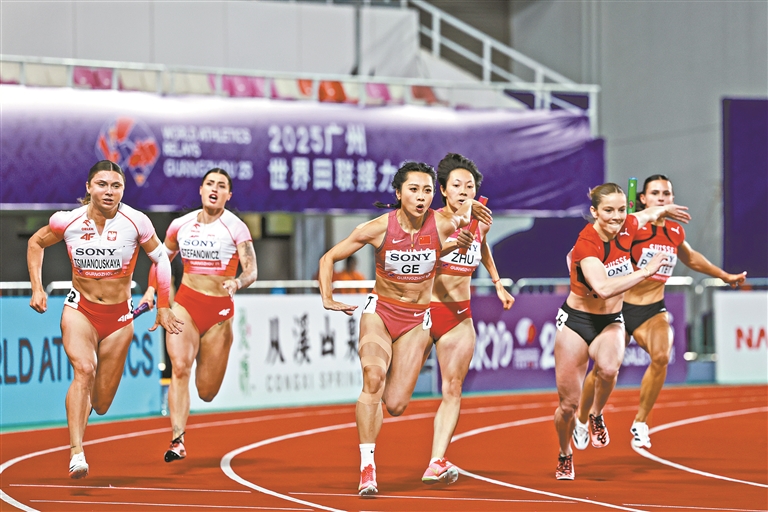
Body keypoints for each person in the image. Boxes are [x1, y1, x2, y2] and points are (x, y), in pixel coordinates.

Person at [317, 161, 492, 496]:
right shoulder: (377, 228)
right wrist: (328, 297)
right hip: (380, 312)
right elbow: (328, 259)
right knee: (373, 379)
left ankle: (380, 399)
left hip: (416, 320)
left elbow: (464, 220)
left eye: (427, 190)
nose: (421, 197)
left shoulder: (443, 224)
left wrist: (469, 226)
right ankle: (367, 467)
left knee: (396, 404)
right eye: (413, 190)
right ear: (399, 193)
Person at [27, 160, 183, 479]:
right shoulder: (67, 221)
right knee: (84, 370)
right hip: (80, 310)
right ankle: (76, 453)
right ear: (89, 187)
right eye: (102, 184)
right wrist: (37, 288)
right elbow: (36, 243)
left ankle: (82, 425)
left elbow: (162, 260)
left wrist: (164, 304)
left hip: (119, 318)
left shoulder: (136, 222)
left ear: (123, 189)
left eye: (116, 186)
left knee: (100, 403)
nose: (109, 191)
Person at [572, 175, 746, 451]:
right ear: (643, 199)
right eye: (655, 193)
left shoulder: (674, 232)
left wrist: (724, 275)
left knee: (662, 355)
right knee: (604, 370)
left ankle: (641, 422)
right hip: (619, 308)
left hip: (652, 309)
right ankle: (584, 419)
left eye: (667, 193)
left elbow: (691, 258)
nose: (662, 197)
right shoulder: (629, 227)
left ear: (673, 198)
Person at [553, 182, 690, 480]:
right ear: (594, 212)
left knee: (608, 369)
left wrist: (665, 209)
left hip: (611, 320)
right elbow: (603, 288)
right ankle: (564, 453)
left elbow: (646, 214)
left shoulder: (628, 225)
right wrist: (644, 271)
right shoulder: (586, 245)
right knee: (567, 405)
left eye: (620, 210)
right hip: (577, 321)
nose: (616, 217)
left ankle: (596, 414)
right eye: (608, 211)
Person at [140, 168, 258, 463]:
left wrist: (238, 282)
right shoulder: (180, 225)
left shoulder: (236, 228)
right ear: (201, 190)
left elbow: (251, 270)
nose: (214, 189)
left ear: (228, 195)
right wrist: (151, 291)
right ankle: (177, 439)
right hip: (186, 305)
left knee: (206, 392)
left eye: (221, 186)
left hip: (219, 314)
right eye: (210, 184)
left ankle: (188, 419)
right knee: (179, 368)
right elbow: (161, 261)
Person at [422, 153, 515, 485]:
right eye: (457, 186)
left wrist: (497, 283)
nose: (464, 191)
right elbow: (421, 257)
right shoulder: (430, 221)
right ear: (443, 190)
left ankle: (436, 461)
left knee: (453, 388)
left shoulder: (481, 219)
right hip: (424, 311)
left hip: (459, 316)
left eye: (470, 186)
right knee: (396, 399)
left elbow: (482, 245)